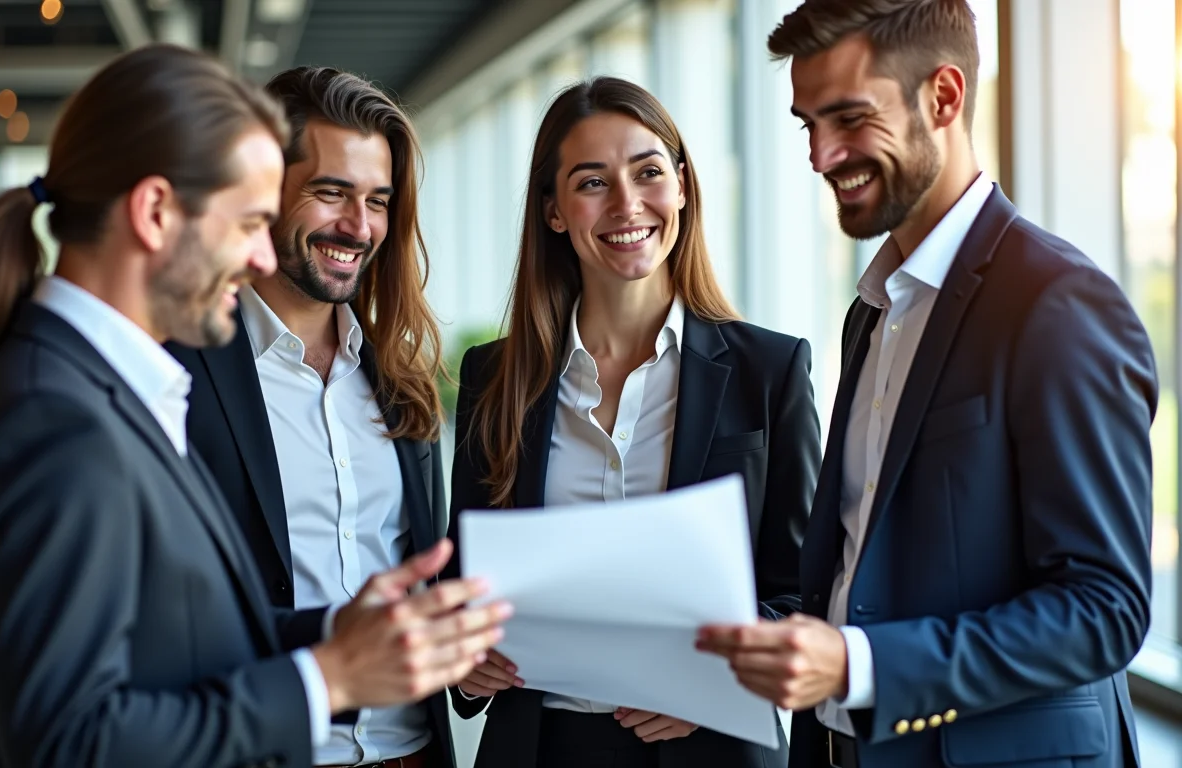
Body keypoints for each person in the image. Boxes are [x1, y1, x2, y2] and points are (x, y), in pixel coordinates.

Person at [0, 44, 510, 768]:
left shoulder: (102, 390)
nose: (260, 258)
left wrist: (348, 634)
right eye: (247, 222)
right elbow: (68, 743)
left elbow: (179, 640)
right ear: (157, 212)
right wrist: (330, 676)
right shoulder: (56, 416)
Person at [695, 2, 1156, 767]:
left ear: (943, 97)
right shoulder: (873, 311)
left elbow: (1103, 611)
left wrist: (860, 665)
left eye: (847, 118)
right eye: (807, 124)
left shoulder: (1058, 304)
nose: (820, 155)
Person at [443, 76, 822, 768]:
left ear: (680, 186)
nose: (627, 204)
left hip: (712, 750)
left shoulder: (771, 370)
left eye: (648, 172)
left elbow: (807, 592)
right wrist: (464, 663)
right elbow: (461, 582)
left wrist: (710, 680)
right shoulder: (495, 379)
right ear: (554, 211)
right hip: (539, 749)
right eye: (592, 182)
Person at [166, 66, 454, 768]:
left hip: (409, 752)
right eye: (331, 193)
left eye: (378, 201)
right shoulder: (179, 370)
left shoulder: (399, 376)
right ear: (264, 193)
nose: (358, 226)